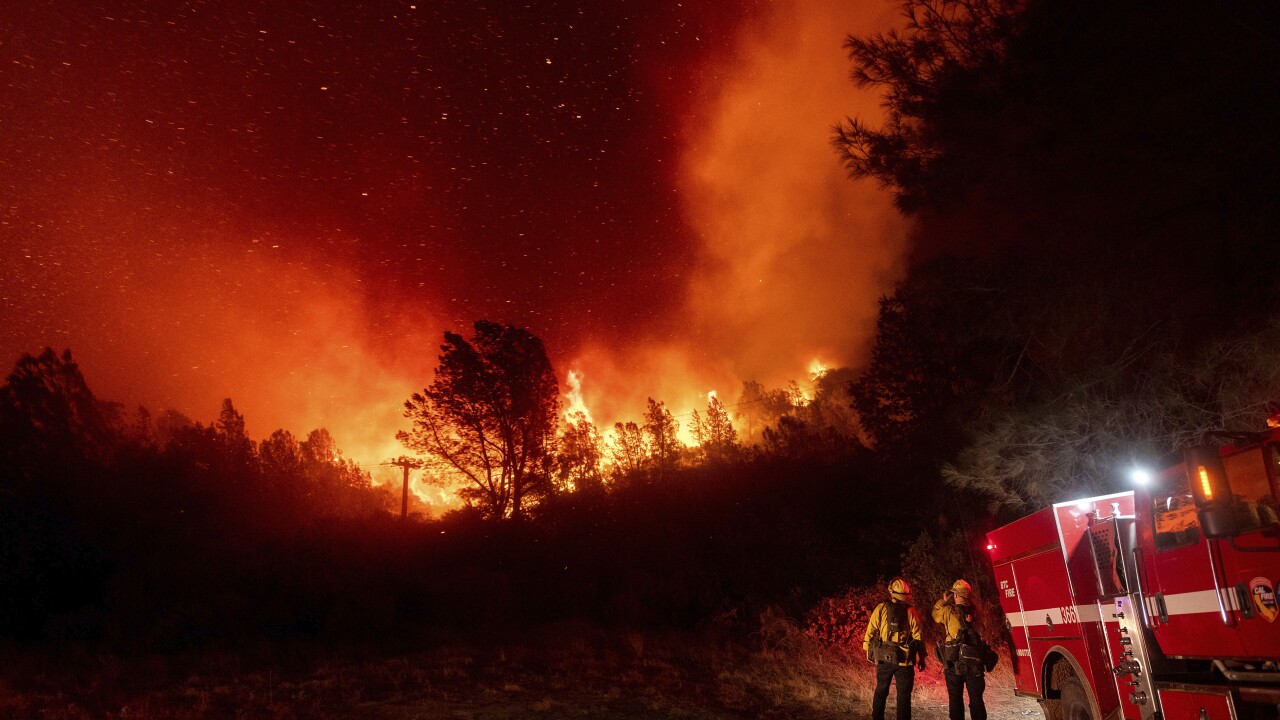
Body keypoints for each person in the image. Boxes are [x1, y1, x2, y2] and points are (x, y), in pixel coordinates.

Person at [863, 577, 925, 720]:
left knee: (881, 691)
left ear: (891, 592)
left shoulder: (881, 608)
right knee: (903, 696)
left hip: (884, 658)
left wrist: (868, 649)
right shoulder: (911, 611)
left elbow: (871, 630)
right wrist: (922, 657)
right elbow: (918, 636)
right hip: (905, 661)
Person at [934, 579, 988, 720]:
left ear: (956, 595)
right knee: (976, 700)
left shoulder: (948, 611)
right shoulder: (976, 613)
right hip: (975, 664)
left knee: (955, 699)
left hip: (954, 663)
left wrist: (943, 601)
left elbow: (935, 615)